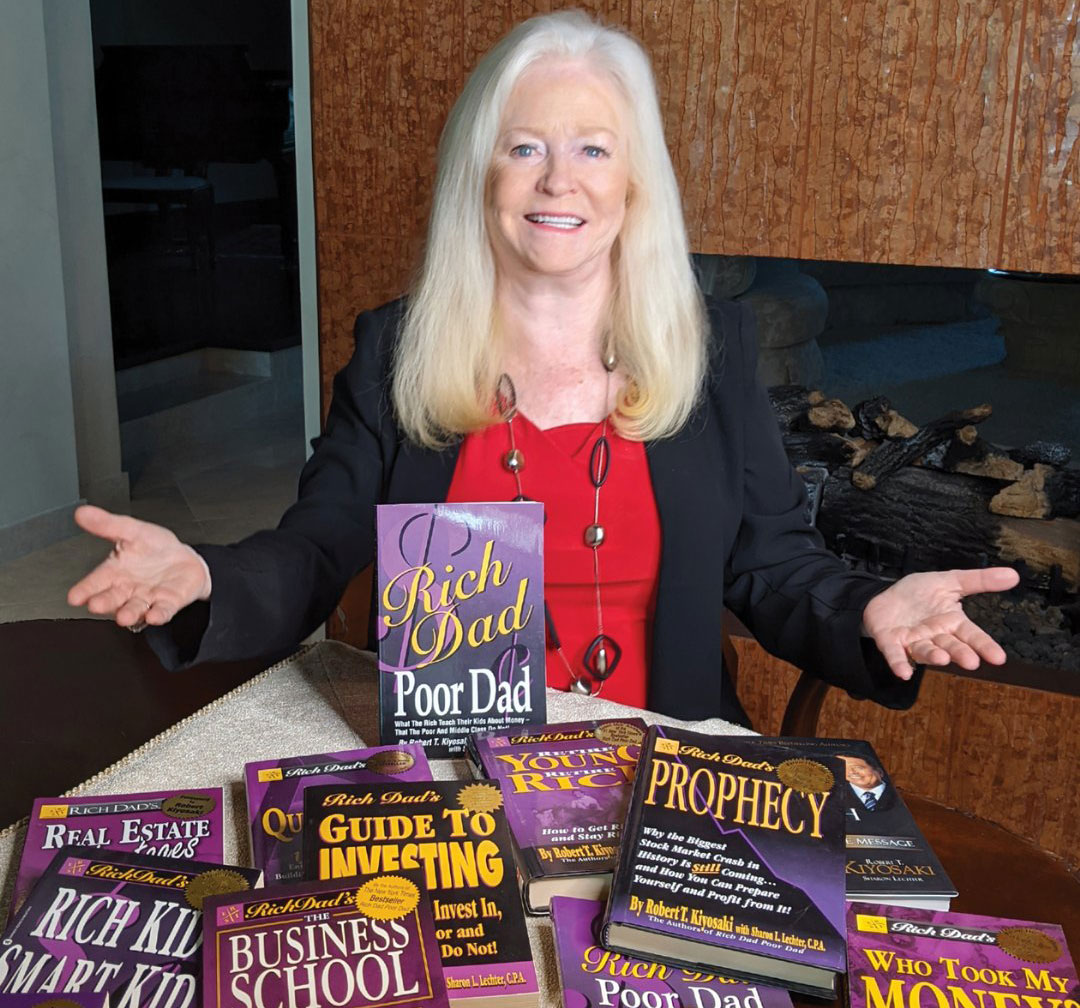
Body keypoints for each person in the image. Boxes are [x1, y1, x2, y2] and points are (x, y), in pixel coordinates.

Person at [67, 11, 1017, 726]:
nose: (559, 180)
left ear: (634, 180)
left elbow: (769, 565)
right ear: (479, 173)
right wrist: (205, 576)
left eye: (593, 149)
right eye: (524, 148)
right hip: (461, 781)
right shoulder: (398, 349)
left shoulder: (710, 350)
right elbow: (318, 546)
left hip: (663, 773)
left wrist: (869, 608)